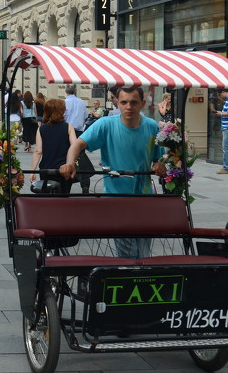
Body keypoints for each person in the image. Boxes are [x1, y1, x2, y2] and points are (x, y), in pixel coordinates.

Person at [61, 86, 164, 257]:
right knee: (128, 254)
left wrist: (160, 165)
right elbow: (77, 145)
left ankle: (137, 281)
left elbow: (159, 158)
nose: (128, 107)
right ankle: (129, 281)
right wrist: (70, 163)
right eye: (123, 102)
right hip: (117, 199)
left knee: (144, 254)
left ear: (142, 104)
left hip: (145, 198)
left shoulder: (151, 127)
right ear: (117, 102)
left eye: (134, 102)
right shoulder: (106, 124)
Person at [32, 98, 77, 194]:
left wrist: (32, 170)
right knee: (64, 197)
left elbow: (38, 151)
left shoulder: (41, 129)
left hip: (46, 169)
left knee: (47, 197)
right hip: (64, 169)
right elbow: (74, 146)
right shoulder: (68, 127)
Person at [62, 85, 92, 193]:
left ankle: (68, 181)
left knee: (68, 157)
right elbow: (85, 116)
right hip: (79, 132)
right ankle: (85, 183)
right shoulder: (81, 102)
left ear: (65, 91)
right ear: (75, 90)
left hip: (67, 131)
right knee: (81, 157)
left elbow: (63, 116)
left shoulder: (64, 102)